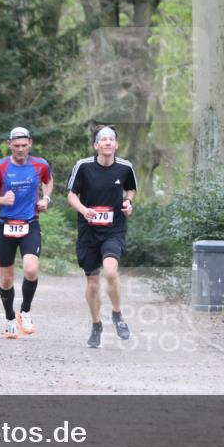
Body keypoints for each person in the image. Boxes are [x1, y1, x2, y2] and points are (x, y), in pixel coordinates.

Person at [66, 124, 137, 348]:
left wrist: (128, 202)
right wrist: (84, 210)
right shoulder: (83, 166)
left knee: (110, 272)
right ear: (96, 145)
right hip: (88, 231)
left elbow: (130, 190)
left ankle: (117, 314)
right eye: (102, 139)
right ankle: (96, 325)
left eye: (111, 139)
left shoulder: (125, 167)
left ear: (116, 144)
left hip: (113, 229)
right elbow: (71, 195)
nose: (107, 142)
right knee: (93, 284)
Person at [0, 126, 53, 339]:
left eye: (24, 145)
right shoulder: (0, 167)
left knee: (31, 269)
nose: (20, 149)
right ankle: (10, 319)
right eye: (16, 146)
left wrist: (46, 199)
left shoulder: (40, 165)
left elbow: (48, 181)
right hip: (5, 225)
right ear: (9, 145)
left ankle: (26, 311)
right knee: (6, 279)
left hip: (30, 223)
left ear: (30, 143)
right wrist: (2, 200)